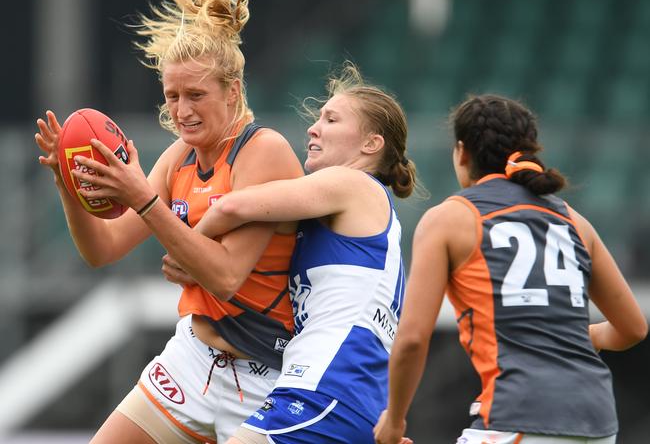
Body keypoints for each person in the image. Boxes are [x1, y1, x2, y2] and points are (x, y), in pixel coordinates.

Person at [34, 0, 304, 443]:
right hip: (193, 358)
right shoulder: (179, 157)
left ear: (233, 91)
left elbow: (224, 277)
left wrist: (142, 199)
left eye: (196, 95)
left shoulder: (264, 152)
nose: (182, 111)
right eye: (172, 95)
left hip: (268, 372)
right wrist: (67, 185)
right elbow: (103, 250)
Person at [374, 94, 648, 444]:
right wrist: (587, 335)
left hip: (520, 414)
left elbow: (412, 339)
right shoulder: (574, 220)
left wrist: (394, 420)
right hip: (598, 422)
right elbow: (633, 328)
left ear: (462, 152)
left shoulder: (449, 218)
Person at [166, 63, 417, 443]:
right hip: (346, 396)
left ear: (371, 144)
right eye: (318, 118)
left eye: (331, 119)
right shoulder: (354, 208)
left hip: (326, 389)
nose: (314, 128)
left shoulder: (351, 182)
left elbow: (230, 207)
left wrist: (190, 249)